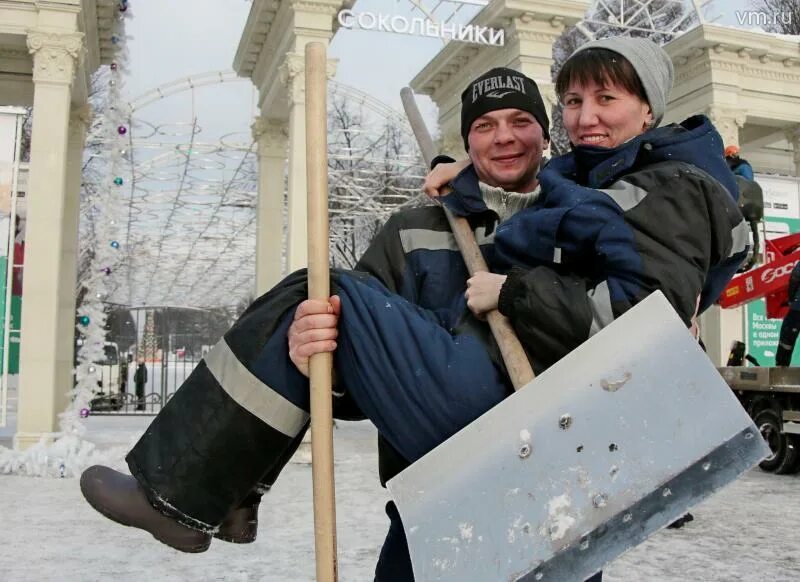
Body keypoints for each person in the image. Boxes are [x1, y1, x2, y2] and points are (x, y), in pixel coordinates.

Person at [80, 37, 746, 580]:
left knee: (319, 284)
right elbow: (360, 383)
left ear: (550, 139)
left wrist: (512, 291)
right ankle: (218, 493)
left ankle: (201, 493)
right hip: (435, 490)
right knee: (311, 300)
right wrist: (312, 356)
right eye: (485, 126)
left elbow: (635, 321)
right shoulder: (419, 227)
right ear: (467, 140)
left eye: (524, 122)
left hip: (549, 470)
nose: (506, 138)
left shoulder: (633, 191)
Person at [776, 261, 800, 366]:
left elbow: (795, 278)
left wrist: (791, 299)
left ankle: (781, 368)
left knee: (787, 338)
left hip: (798, 308)